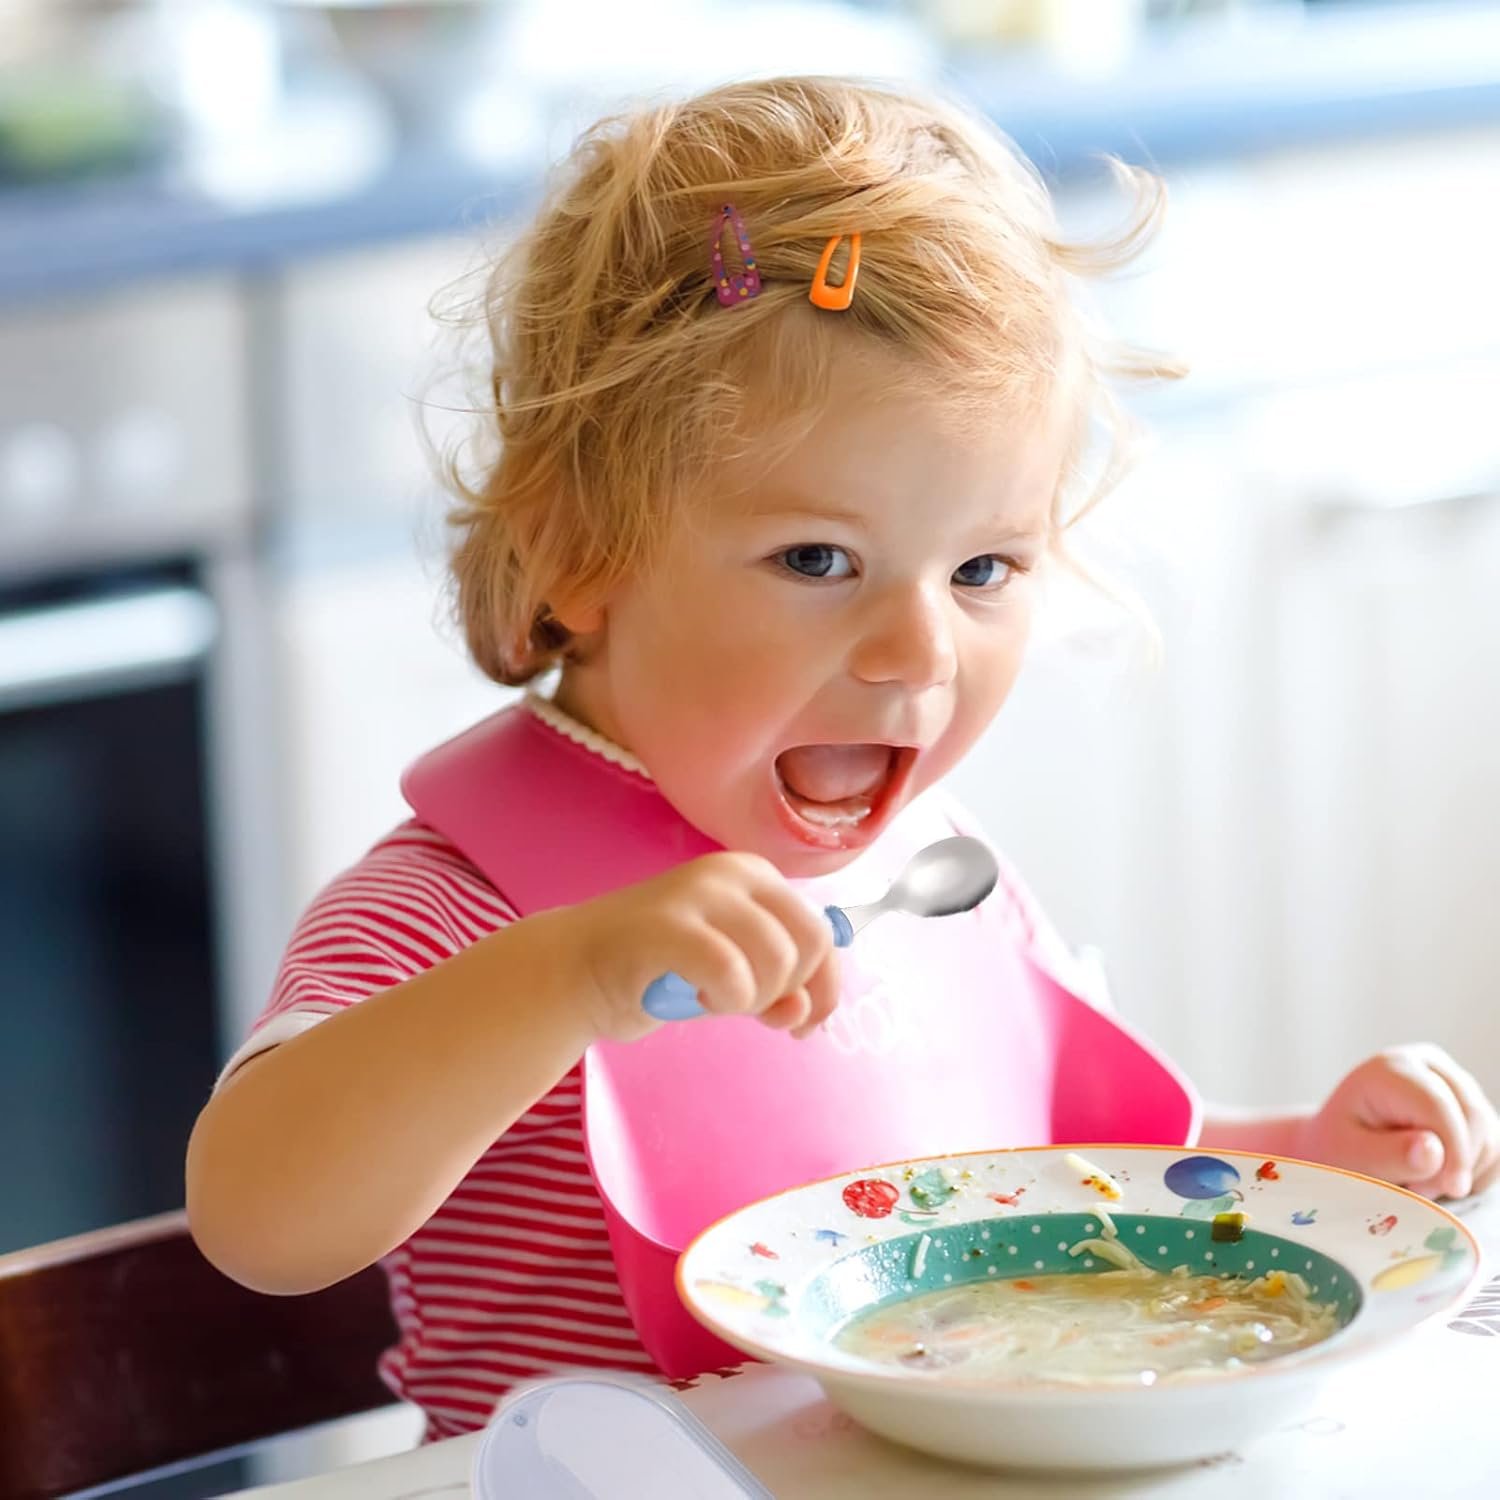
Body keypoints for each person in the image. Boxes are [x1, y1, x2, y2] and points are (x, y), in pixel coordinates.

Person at [186, 77, 1499, 1440]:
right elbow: (258, 1218)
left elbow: (1059, 1189)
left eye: (984, 567)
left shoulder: (931, 878)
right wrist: (565, 980)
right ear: (578, 550)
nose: (917, 651)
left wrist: (1307, 1158)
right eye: (819, 560)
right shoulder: (459, 912)